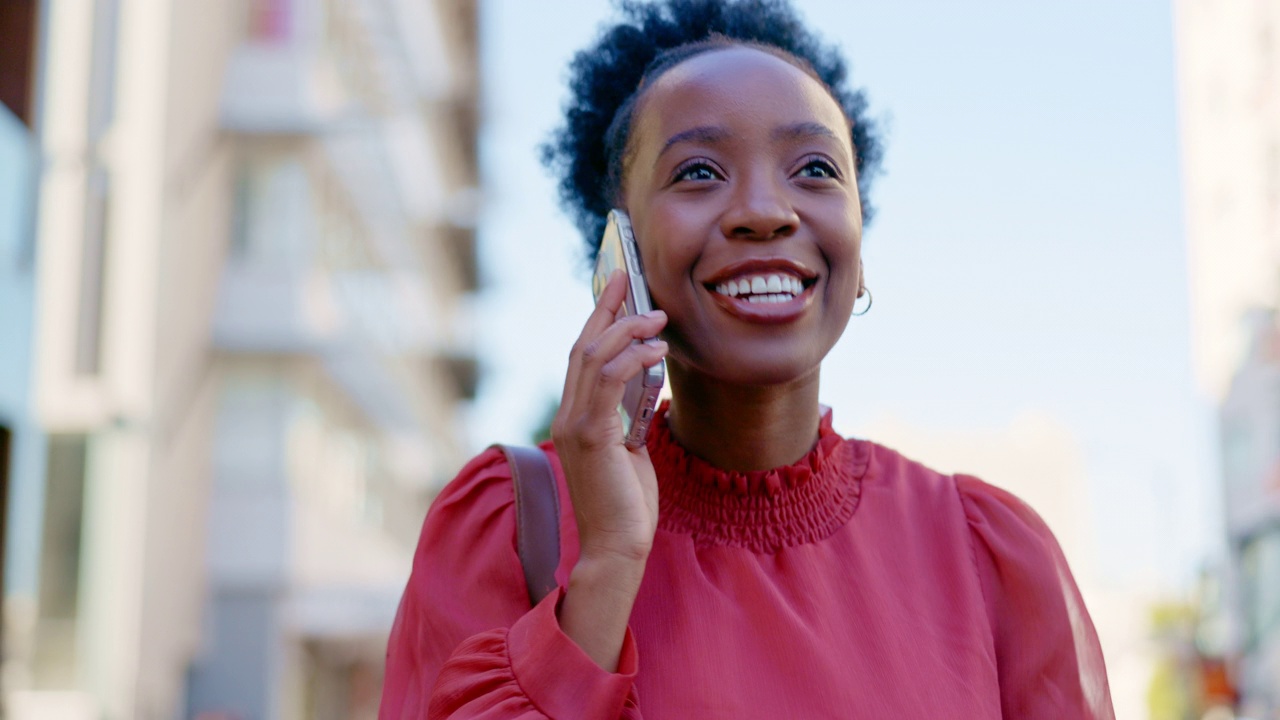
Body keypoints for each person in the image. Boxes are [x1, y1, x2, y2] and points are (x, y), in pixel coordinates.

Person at [380, 0, 1115, 717]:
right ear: (619, 254)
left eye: (816, 170)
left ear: (858, 244)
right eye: (699, 171)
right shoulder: (507, 524)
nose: (766, 210)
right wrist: (604, 567)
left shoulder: (988, 553)